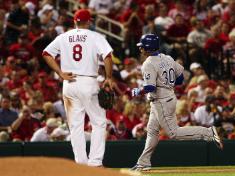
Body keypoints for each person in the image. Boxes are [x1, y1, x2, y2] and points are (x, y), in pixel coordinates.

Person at [130, 34, 223, 171]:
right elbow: (180, 78)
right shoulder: (167, 58)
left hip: (161, 101)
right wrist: (167, 83)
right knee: (152, 131)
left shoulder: (148, 63)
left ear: (148, 47)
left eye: (142, 46)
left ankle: (208, 132)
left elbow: (150, 87)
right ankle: (144, 162)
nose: (141, 48)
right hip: (166, 98)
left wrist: (138, 91)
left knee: (173, 133)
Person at [42, 9, 113, 167]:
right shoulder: (95, 36)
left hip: (69, 83)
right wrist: (108, 78)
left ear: (75, 21)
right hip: (88, 81)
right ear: (89, 21)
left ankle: (81, 164)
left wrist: (60, 72)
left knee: (75, 126)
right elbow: (107, 56)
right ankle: (94, 163)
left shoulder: (64, 37)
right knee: (99, 122)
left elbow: (46, 53)